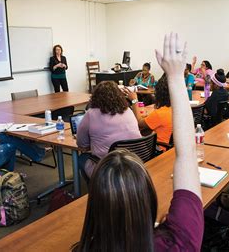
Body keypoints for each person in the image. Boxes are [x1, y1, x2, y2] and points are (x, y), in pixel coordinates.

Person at [73, 32, 203, 251]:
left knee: (81, 158)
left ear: (95, 205)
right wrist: (175, 76)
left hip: (100, 157)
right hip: (142, 154)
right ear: (149, 198)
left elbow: (81, 143)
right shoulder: (178, 242)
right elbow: (187, 156)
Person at [77, 81, 141, 178]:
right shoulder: (128, 110)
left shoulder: (91, 113)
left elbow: (82, 144)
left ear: (95, 97)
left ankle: (97, 188)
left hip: (110, 167)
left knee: (82, 158)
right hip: (133, 162)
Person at [126, 74, 173, 146]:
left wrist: (134, 100)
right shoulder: (173, 110)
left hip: (158, 149)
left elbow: (139, 123)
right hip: (167, 147)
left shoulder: (160, 114)